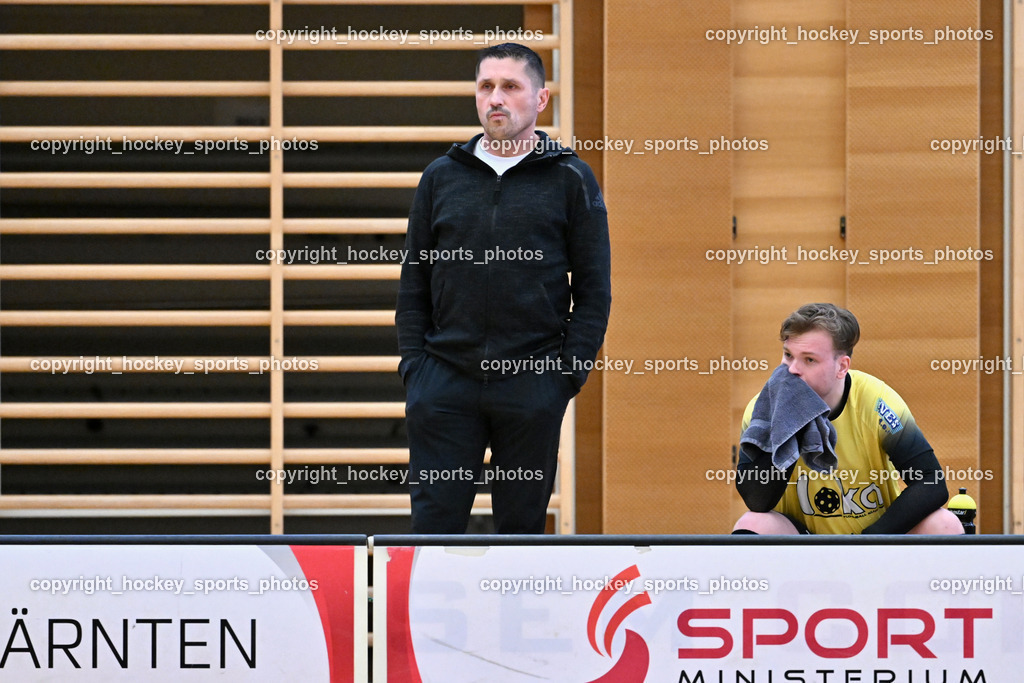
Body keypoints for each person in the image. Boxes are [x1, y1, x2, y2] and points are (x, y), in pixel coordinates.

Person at [396, 43, 611, 534]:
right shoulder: (440, 177)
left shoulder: (571, 178)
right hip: (444, 383)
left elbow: (595, 288)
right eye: (486, 86)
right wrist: (417, 371)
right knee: (432, 534)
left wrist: (563, 377)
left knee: (521, 536)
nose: (496, 98)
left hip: (532, 384)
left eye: (510, 87)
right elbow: (415, 283)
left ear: (541, 99)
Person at [732, 303, 963, 535]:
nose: (792, 370)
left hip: (875, 541)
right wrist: (790, 418)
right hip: (804, 545)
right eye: (788, 355)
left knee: (945, 524)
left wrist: (867, 543)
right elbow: (756, 500)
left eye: (809, 360)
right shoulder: (760, 409)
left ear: (842, 367)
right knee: (751, 523)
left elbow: (931, 482)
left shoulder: (877, 401)